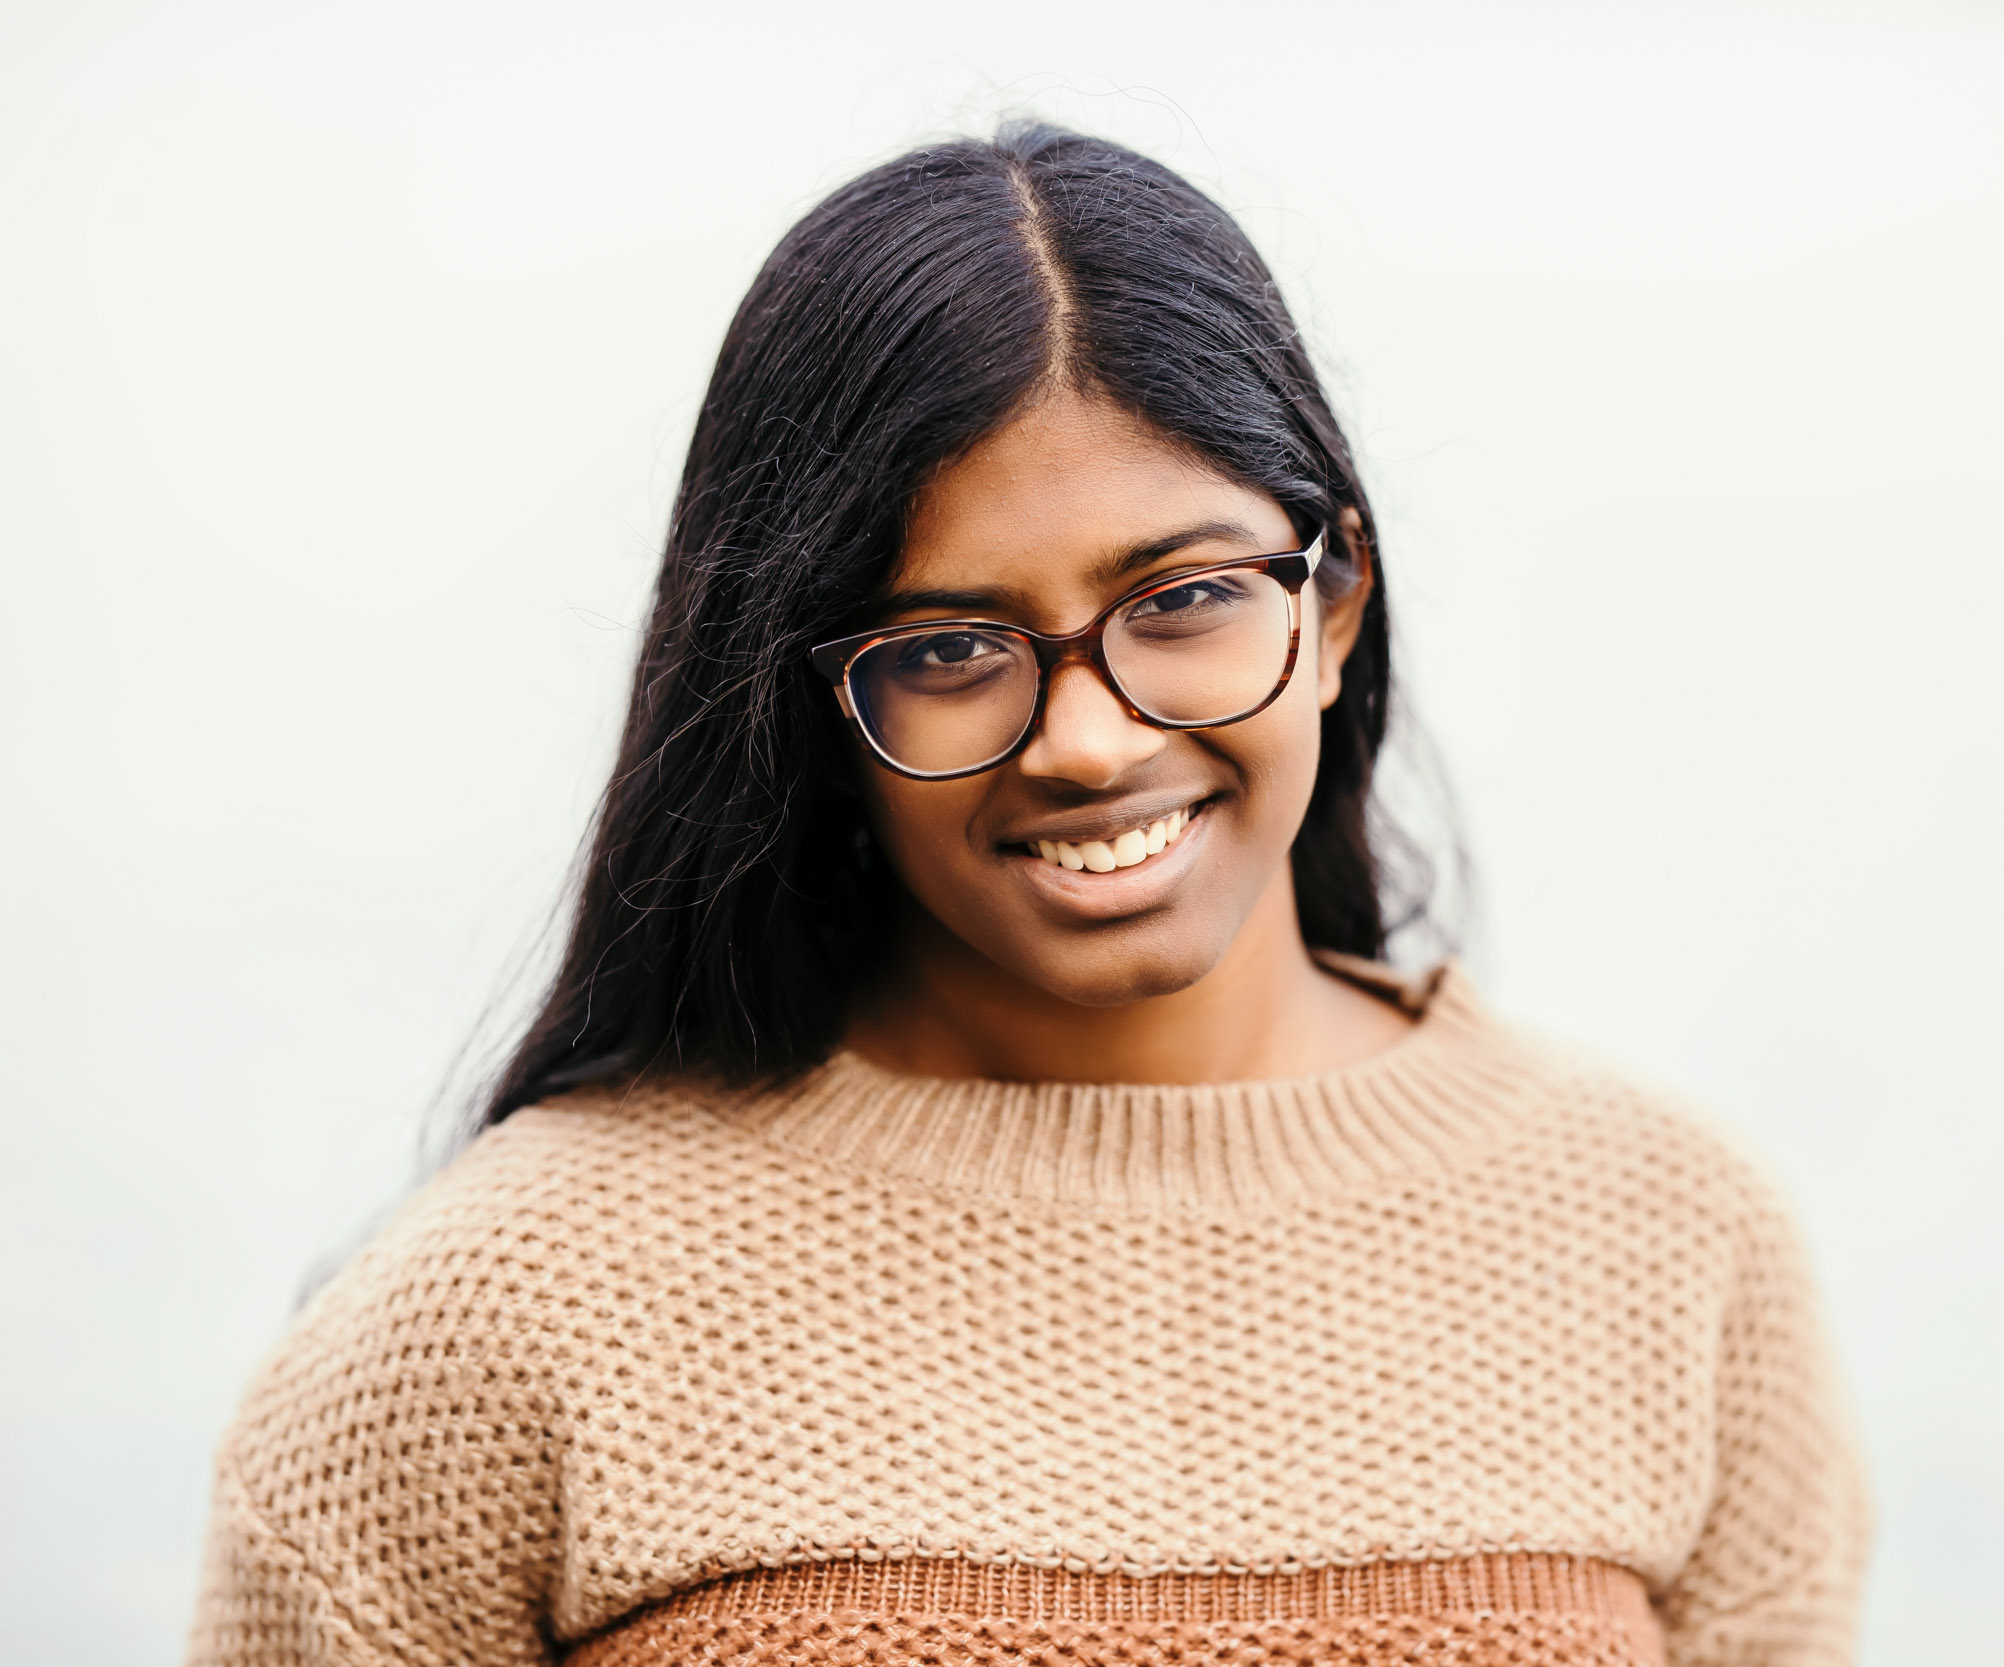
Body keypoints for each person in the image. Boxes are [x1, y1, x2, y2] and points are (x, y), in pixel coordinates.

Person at [186, 123, 1872, 1666]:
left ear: (1337, 594)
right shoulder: (494, 1316)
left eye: (1186, 598)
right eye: (948, 648)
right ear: (810, 697)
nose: (1086, 738)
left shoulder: (1666, 1232)